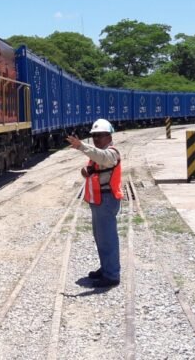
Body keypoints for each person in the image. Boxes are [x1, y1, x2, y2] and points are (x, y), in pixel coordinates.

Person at [66, 118, 122, 288]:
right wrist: (85, 170)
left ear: (109, 136)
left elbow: (103, 158)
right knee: (101, 237)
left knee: (108, 238)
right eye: (94, 136)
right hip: (98, 200)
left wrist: (82, 146)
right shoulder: (97, 153)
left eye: (100, 136)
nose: (96, 139)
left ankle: (112, 275)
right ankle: (106, 268)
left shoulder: (111, 152)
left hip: (106, 200)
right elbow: (89, 171)